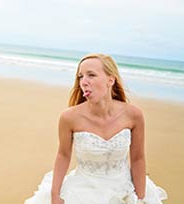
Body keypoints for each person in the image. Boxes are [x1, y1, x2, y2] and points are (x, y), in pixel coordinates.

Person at [24, 54, 167, 204]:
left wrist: (140, 197)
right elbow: (63, 155)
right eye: (80, 77)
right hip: (82, 192)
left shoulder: (133, 115)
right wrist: (55, 195)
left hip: (124, 189)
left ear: (110, 80)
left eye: (91, 75)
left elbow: (138, 159)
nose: (84, 82)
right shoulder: (69, 117)